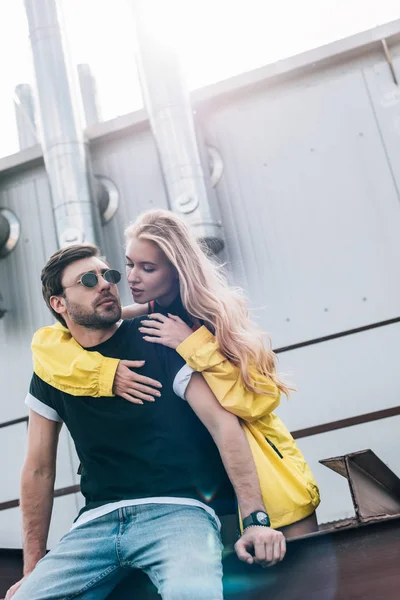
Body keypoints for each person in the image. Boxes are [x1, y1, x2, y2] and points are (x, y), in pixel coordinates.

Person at [6, 243, 286, 600]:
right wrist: (33, 569)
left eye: (109, 275)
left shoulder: (157, 336)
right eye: (88, 280)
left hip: (177, 513)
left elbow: (222, 425)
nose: (105, 284)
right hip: (94, 525)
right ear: (59, 304)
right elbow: (38, 470)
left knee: (193, 594)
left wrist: (256, 520)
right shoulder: (52, 370)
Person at [31, 209, 320, 537]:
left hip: (266, 482)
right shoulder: (152, 314)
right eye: (129, 264)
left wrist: (193, 345)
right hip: (205, 499)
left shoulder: (216, 316)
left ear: (177, 270)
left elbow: (255, 402)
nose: (131, 278)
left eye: (148, 268)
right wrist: (104, 373)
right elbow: (56, 339)